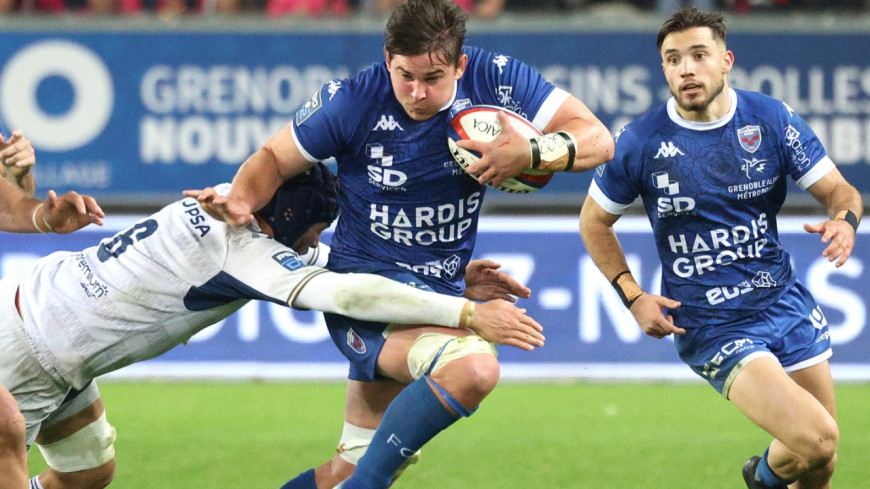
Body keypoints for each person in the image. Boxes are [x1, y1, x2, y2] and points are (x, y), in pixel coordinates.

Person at [186, 1, 612, 488]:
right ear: (388, 58)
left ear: (460, 65)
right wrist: (241, 201)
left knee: (345, 468)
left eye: (433, 78)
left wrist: (535, 151)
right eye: (405, 75)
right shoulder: (353, 100)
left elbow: (598, 139)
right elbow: (274, 157)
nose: (416, 92)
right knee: (473, 369)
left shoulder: (496, 79)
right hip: (366, 294)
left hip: (437, 293)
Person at [0, 162, 543, 489]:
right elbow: (346, 290)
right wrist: (465, 314)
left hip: (51, 334)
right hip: (21, 348)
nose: (315, 241)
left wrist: (443, 282)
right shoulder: (242, 250)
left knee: (88, 475)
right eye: (313, 229)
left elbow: (328, 265)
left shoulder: (233, 202)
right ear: (285, 220)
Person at [579, 7, 861, 489]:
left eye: (698, 55)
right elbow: (593, 222)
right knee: (817, 441)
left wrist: (845, 222)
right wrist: (633, 296)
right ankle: (760, 478)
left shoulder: (769, 119)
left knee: (822, 462)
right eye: (673, 60)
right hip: (713, 323)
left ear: (725, 61)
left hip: (783, 301)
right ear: (663, 69)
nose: (686, 69)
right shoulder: (641, 141)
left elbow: (841, 191)